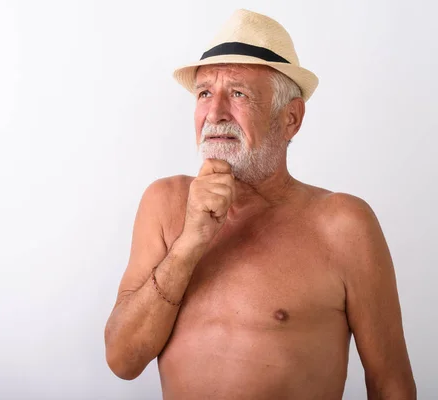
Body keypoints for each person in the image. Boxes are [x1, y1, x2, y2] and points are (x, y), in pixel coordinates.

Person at [104, 9, 416, 400]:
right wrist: (189, 244)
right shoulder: (163, 203)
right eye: (204, 93)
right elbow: (122, 361)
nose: (215, 114)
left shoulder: (344, 224)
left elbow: (392, 384)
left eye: (237, 94)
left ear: (290, 118)